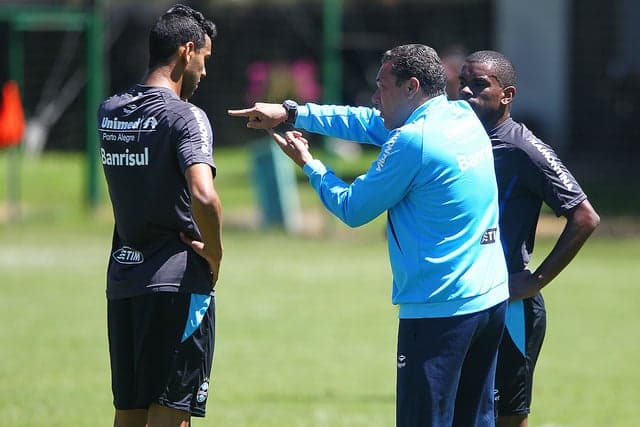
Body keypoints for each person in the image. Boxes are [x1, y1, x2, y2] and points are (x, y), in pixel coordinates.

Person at [230, 44, 509, 426]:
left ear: (411, 87)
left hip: (439, 311)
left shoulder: (414, 141)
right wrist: (292, 112)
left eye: (382, 87)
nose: (375, 97)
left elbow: (352, 208)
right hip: (490, 300)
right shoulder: (460, 114)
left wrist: (310, 165)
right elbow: (365, 121)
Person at [458, 50, 600, 427]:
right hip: (461, 298)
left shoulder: (524, 148)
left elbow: (585, 216)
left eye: (479, 85)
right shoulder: (457, 141)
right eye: (462, 84)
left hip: (509, 306)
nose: (467, 92)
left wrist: (536, 280)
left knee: (507, 416)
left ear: (507, 94)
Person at [97, 5, 222, 426]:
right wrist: (216, 253)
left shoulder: (110, 112)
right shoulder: (186, 117)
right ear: (187, 52)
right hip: (178, 285)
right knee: (172, 416)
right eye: (204, 58)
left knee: (128, 414)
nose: (204, 72)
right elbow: (204, 196)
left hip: (125, 283)